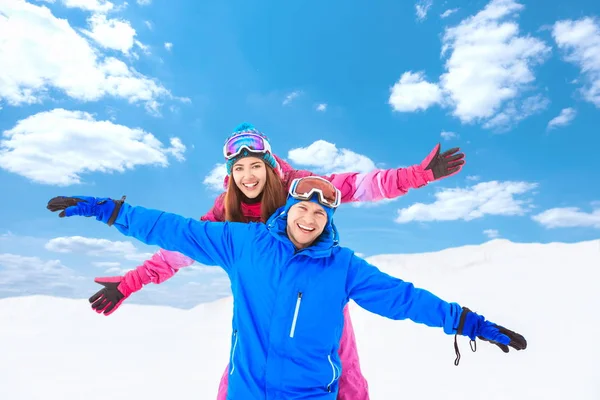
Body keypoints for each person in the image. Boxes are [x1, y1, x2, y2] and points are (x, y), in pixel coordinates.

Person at [46, 177, 527, 400]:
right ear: (287, 208)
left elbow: (404, 299)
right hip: (245, 393)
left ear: (328, 223)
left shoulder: (342, 267)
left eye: (321, 213)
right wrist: (105, 208)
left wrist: (469, 322)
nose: (310, 216)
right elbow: (172, 231)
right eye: (303, 207)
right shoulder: (246, 244)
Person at [85, 122, 466, 400]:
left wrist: (418, 175)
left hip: (316, 292)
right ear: (230, 174)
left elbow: (358, 186)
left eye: (255, 165)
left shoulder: (299, 185)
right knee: (244, 373)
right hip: (262, 303)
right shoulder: (227, 210)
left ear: (269, 165)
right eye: (239, 168)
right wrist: (128, 283)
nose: (248, 176)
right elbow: (182, 247)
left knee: (341, 371)